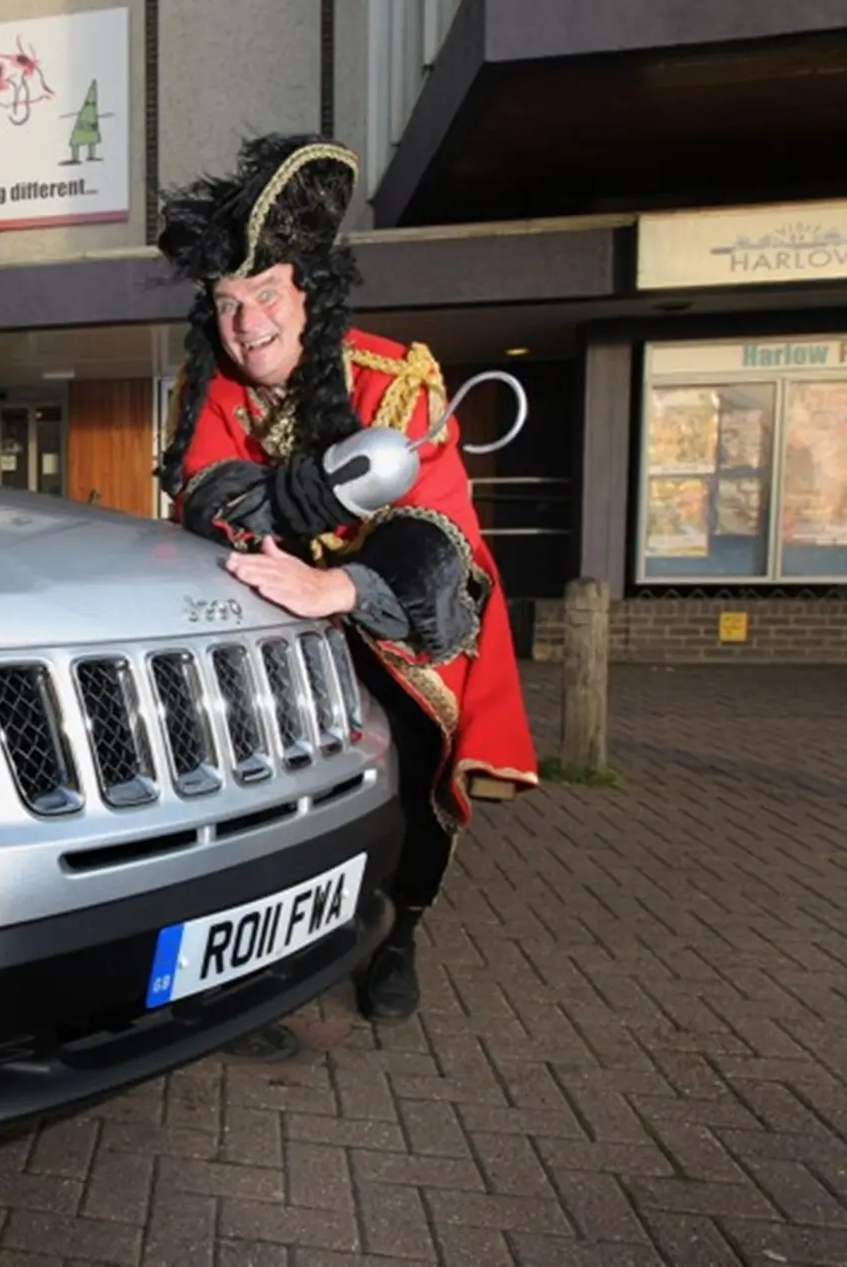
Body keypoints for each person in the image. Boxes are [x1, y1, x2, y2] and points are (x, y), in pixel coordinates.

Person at [153, 133, 540, 1049]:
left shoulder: (393, 378)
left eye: (266, 296)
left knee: (411, 760)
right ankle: (253, 961)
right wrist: (301, 498)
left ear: (308, 294)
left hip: (396, 619)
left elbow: (440, 543)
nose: (245, 323)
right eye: (226, 301)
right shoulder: (211, 388)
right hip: (272, 623)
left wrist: (340, 584)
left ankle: (400, 931)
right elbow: (208, 499)